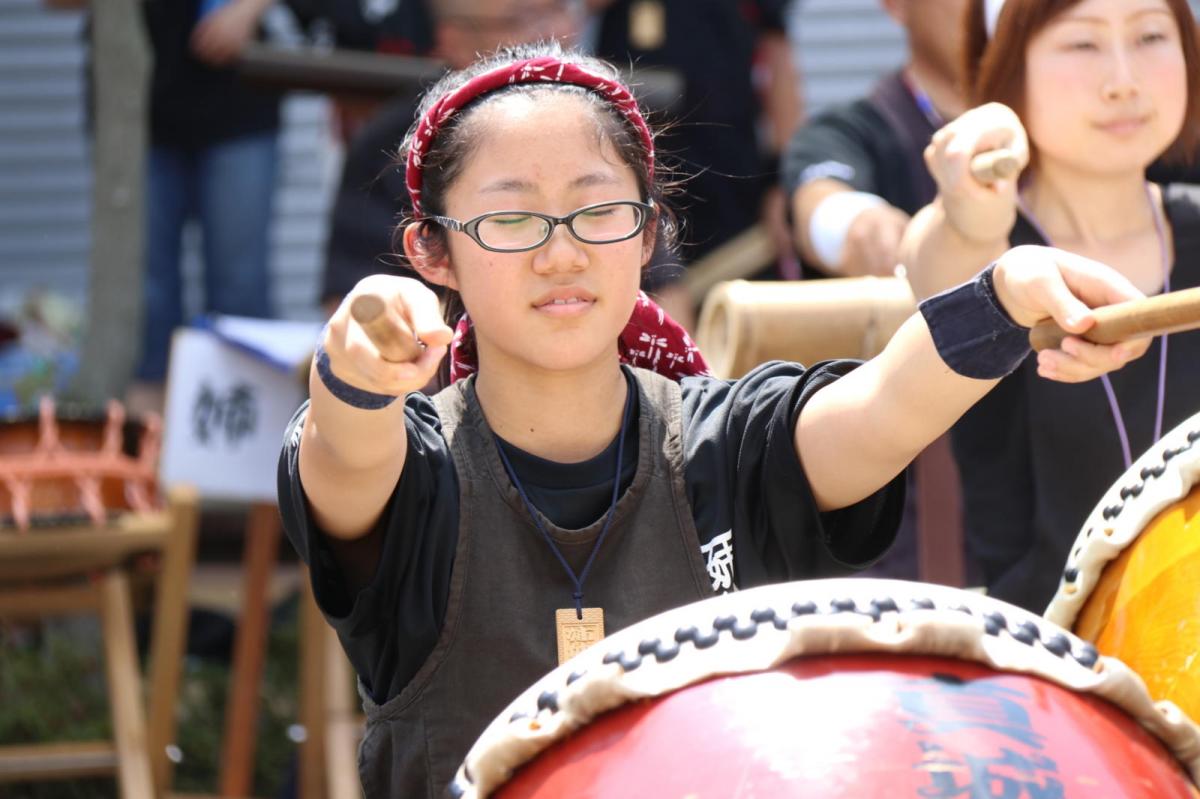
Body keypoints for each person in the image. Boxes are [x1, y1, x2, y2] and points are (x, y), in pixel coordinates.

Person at [278, 41, 1145, 797]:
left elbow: (884, 406)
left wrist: (1005, 297)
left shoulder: (730, 443)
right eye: (511, 217)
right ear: (434, 250)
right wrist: (354, 368)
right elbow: (348, 459)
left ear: (650, 233)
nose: (562, 251)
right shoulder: (416, 468)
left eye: (599, 209)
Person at [899, 0, 1200, 612]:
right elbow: (945, 269)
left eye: (1149, 35)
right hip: (1052, 674)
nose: (1124, 80)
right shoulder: (991, 246)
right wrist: (969, 211)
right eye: (1082, 44)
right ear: (1007, 66)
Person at [319, 0, 583, 316]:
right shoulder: (394, 146)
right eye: (525, 19)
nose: (554, 37)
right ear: (453, 38)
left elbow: (658, 285)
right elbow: (358, 308)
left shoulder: (605, 128)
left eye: (560, 10)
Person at [783, 0, 967, 278]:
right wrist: (864, 227)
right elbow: (821, 201)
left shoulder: (1047, 127)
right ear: (896, 5)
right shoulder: (845, 133)